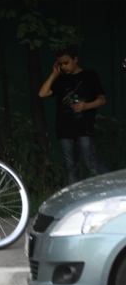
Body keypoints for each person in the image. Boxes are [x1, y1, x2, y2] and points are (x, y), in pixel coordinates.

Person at [38, 46, 109, 184]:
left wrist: (86, 106)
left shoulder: (90, 76)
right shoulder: (61, 79)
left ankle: (114, 186)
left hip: (83, 126)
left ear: (75, 59)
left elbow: (102, 99)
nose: (64, 67)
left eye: (66, 63)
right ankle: (75, 194)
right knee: (70, 166)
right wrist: (54, 74)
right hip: (64, 127)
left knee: (90, 163)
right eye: (60, 64)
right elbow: (42, 93)